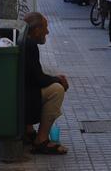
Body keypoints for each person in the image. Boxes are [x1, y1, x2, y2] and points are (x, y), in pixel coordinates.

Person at [23, 12, 69, 155]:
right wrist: (58, 80)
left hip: (20, 91)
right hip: (24, 96)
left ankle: (28, 131)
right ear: (37, 30)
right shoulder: (30, 45)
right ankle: (41, 140)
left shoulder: (23, 40)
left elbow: (34, 76)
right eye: (45, 28)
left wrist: (54, 77)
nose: (47, 32)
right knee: (57, 90)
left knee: (53, 84)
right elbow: (39, 80)